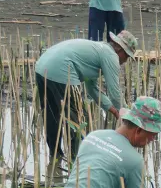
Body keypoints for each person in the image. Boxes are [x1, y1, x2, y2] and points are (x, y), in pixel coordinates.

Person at [35, 30, 137, 161]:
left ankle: (55, 156)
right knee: (77, 119)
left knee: (52, 115)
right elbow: (114, 91)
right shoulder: (111, 56)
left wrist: (113, 110)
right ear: (121, 50)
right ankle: (78, 160)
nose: (125, 61)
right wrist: (125, 114)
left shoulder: (98, 50)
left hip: (42, 68)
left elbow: (92, 89)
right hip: (62, 71)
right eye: (127, 56)